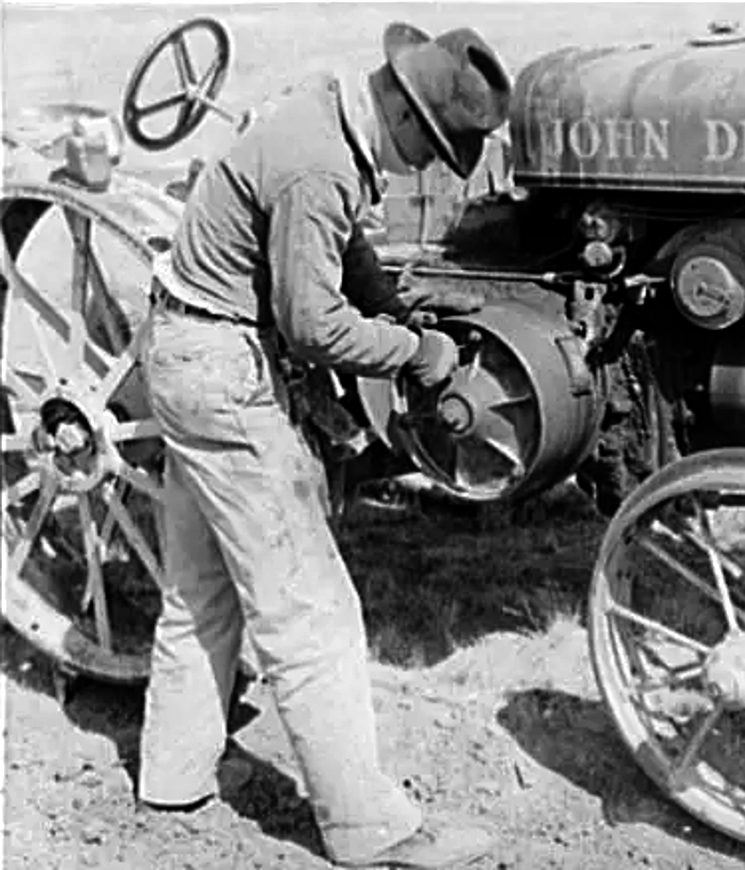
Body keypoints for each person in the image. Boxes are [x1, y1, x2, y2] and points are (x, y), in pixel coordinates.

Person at [136, 21, 511, 869]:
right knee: (313, 612)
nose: (423, 170)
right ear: (411, 121)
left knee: (200, 585)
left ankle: (172, 774)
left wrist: (389, 304)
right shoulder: (321, 165)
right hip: (228, 376)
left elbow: (343, 249)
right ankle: (367, 827)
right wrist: (418, 352)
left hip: (181, 350)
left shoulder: (318, 110)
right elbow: (308, 324)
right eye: (435, 153)